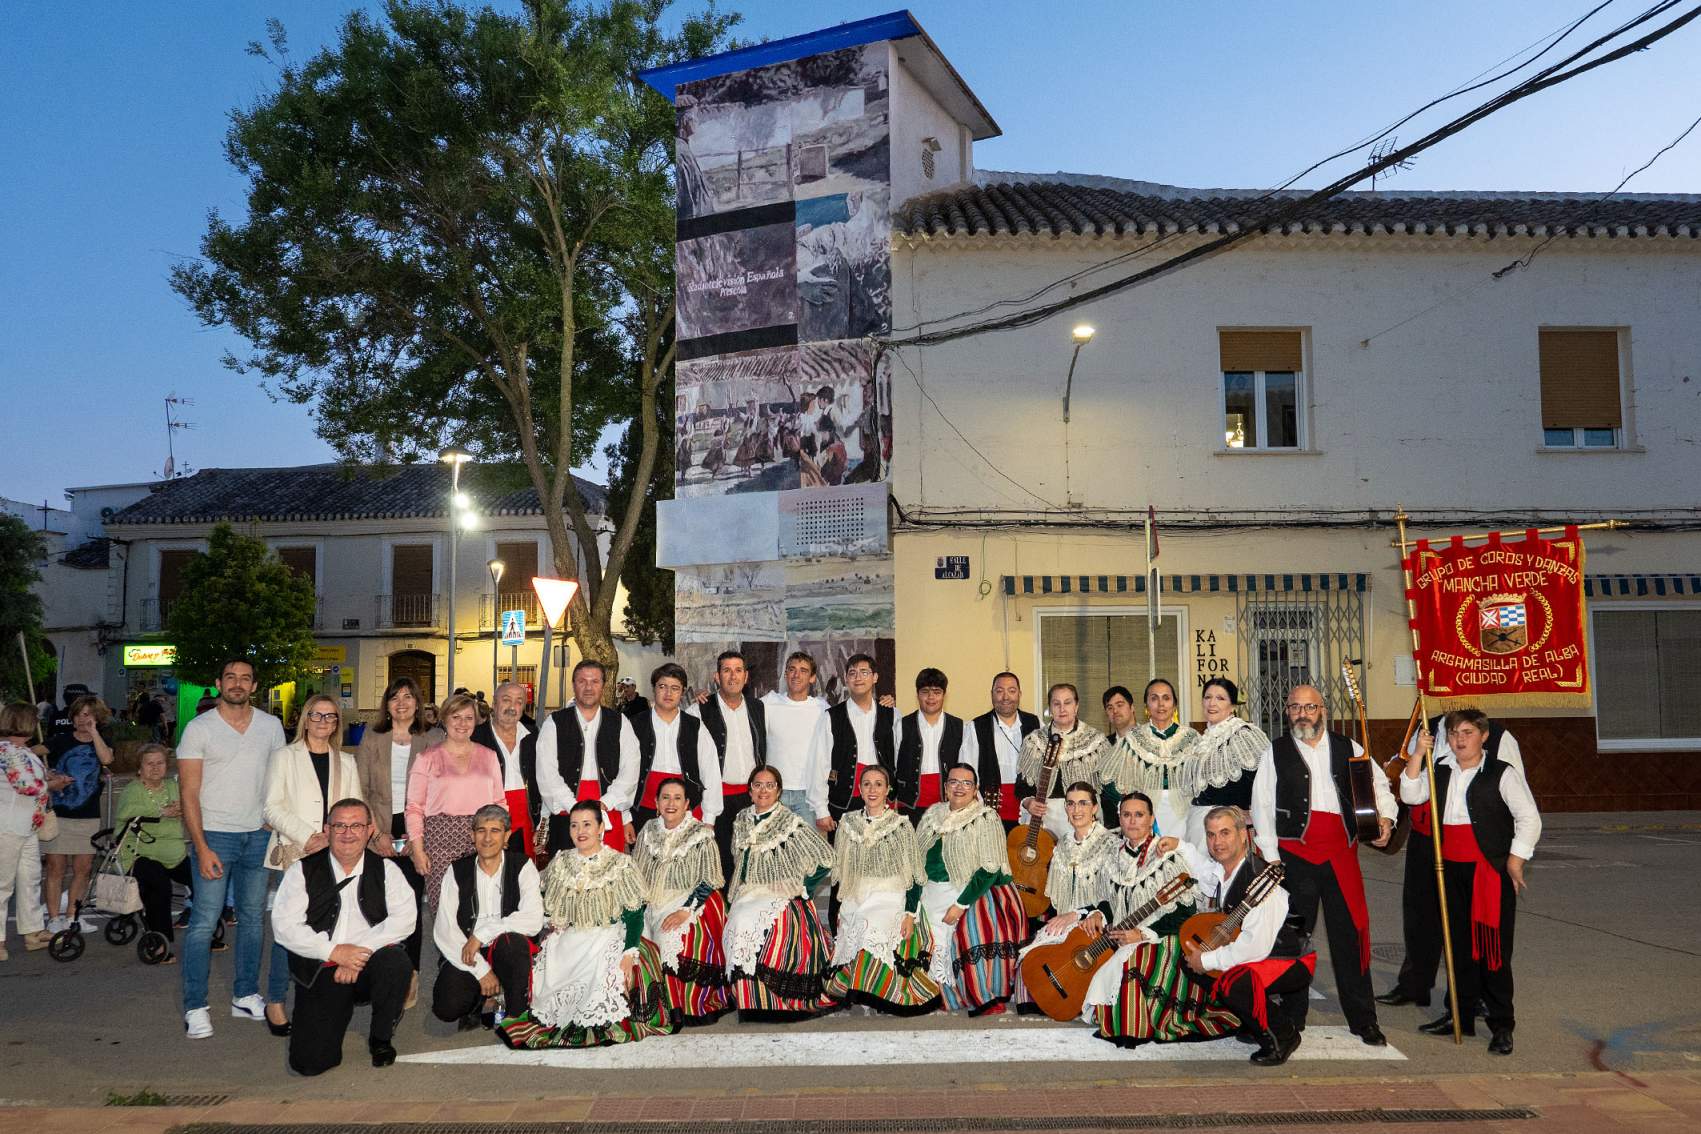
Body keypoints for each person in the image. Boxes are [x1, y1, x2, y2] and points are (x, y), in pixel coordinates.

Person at [1250, 684, 1395, 1046]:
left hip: (1340, 856)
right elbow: (1262, 805)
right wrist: (1270, 857)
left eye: (1309, 707)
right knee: (1295, 938)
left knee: (1351, 938)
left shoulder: (1350, 749)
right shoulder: (1276, 751)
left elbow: (1380, 786)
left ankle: (1364, 1020)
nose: (1302, 713)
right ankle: (1292, 1016)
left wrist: (1387, 819)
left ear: (1323, 711)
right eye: (1295, 707)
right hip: (1294, 857)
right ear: (1287, 711)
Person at [1400, 709, 1540, 1055]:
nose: (1460, 740)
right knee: (1458, 947)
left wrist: (1516, 859)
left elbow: (1529, 819)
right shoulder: (1441, 771)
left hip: (1488, 874)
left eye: (1467, 732)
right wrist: (1418, 753)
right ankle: (1459, 1015)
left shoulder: (1501, 773)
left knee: (1492, 951)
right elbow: (1410, 795)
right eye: (1453, 734)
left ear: (1484, 736)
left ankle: (1501, 1025)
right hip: (1450, 870)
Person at [499, 799, 674, 1048]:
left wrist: (629, 951)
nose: (580, 831)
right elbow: (544, 900)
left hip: (607, 935)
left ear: (601, 828)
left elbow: (634, 914)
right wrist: (552, 923)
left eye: (587, 824)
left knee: (604, 978)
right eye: (574, 825)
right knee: (551, 976)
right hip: (569, 938)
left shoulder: (620, 864)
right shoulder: (560, 862)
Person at [1379, 712, 1525, 1010]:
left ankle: (1477, 996)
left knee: (1475, 924)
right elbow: (1405, 768)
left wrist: (1510, 853)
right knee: (1420, 915)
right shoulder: (1427, 725)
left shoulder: (1498, 736)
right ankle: (1415, 983)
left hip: (1473, 843)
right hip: (1425, 836)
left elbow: (1515, 797)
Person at [176, 659, 288, 1040]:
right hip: (215, 836)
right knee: (204, 923)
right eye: (230, 677)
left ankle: (245, 994)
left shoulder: (271, 727)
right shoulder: (198, 729)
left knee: (254, 919)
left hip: (259, 835)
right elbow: (188, 793)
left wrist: (275, 820)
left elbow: (278, 780)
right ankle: (195, 1006)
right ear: (218, 682)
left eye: (245, 678)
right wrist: (201, 845)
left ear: (254, 686)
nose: (237, 684)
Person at [272, 798, 416, 1075]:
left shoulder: (387, 871)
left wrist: (357, 953)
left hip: (368, 962)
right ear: (327, 829)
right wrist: (335, 953)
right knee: (309, 1064)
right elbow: (285, 927)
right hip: (323, 967)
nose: (347, 833)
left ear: (369, 830)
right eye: (339, 826)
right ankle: (333, 1011)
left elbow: (405, 920)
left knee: (396, 963)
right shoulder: (301, 871)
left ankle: (381, 1037)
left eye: (356, 826)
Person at [1081, 792, 1229, 1045]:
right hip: (1122, 934)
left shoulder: (1167, 858)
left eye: (1139, 815)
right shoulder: (1113, 855)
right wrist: (1098, 912)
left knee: (1133, 959)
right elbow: (1108, 899)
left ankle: (1131, 1024)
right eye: (1126, 815)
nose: (1132, 821)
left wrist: (1142, 934)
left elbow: (1185, 914)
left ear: (1151, 820)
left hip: (1165, 937)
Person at [1183, 806, 1318, 1066]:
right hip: (1264, 954)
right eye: (1211, 835)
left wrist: (1208, 960)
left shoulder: (1262, 880)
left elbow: (1254, 948)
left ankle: (1282, 1035)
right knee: (1191, 961)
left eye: (1225, 833)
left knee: (1233, 981)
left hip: (1290, 959)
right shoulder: (1225, 871)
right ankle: (1251, 1018)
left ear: (1244, 835)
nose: (1217, 842)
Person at [262, 694, 363, 1036]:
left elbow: (356, 808)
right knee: (287, 929)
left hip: (337, 855)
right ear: (305, 719)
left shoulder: (346, 762)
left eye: (331, 717)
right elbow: (271, 807)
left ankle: (321, 1000)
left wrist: (338, 839)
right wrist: (309, 836)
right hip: (296, 852)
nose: (323, 722)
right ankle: (275, 1000)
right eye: (317, 716)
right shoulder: (284, 757)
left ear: (337, 723)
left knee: (331, 927)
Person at [824, 764, 938, 1014]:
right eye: (866, 784)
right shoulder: (847, 822)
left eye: (878, 784)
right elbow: (840, 871)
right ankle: (862, 988)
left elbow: (916, 877)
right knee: (854, 924)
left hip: (890, 894)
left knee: (869, 927)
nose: (872, 789)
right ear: (860, 790)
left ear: (888, 790)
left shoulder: (901, 825)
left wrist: (910, 914)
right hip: (856, 895)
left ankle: (878, 991)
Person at [724, 766, 835, 1020]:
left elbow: (827, 858)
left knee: (754, 924)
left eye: (770, 785)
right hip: (746, 892)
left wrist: (801, 886)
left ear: (779, 792)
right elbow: (738, 861)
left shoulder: (790, 821)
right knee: (738, 923)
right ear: (750, 790)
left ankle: (774, 1000)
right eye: (758, 785)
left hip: (778, 891)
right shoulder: (741, 818)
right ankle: (750, 999)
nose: (763, 790)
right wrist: (735, 894)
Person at [354, 676, 442, 994]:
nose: (402, 702)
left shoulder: (432, 739)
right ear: (386, 705)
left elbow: (439, 792)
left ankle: (410, 974)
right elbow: (360, 788)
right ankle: (380, 971)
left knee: (411, 907)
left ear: (417, 704)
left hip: (418, 830)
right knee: (377, 905)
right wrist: (375, 834)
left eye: (408, 696)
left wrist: (417, 839)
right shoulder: (372, 737)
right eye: (395, 697)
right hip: (379, 830)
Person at [917, 763, 1025, 1014]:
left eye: (967, 783)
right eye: (953, 782)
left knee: (957, 930)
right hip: (930, 889)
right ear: (945, 788)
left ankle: (962, 991)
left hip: (970, 889)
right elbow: (916, 858)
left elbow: (990, 868)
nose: (959, 787)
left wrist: (960, 905)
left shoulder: (985, 817)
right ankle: (927, 990)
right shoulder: (933, 814)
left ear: (975, 789)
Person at [431, 804, 544, 1030]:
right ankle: (481, 997)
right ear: (472, 835)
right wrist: (482, 971)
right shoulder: (456, 870)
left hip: (507, 949)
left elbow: (533, 919)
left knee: (512, 944)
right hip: (469, 952)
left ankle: (516, 1013)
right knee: (447, 1007)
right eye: (481, 830)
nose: (487, 838)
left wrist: (483, 933)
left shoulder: (522, 866)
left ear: (507, 836)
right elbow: (445, 929)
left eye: (495, 830)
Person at [631, 777, 728, 1024]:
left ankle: (677, 1006)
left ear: (687, 804)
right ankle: (644, 1004)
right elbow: (636, 875)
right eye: (665, 797)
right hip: (651, 901)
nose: (670, 803)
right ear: (656, 802)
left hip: (688, 902)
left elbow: (710, 880)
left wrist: (685, 911)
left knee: (668, 938)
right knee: (633, 941)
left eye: (677, 798)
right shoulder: (648, 830)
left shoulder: (701, 834)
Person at [405, 693, 505, 912]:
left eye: (469, 718)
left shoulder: (488, 756)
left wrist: (501, 836)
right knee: (445, 910)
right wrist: (418, 850)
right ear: (444, 719)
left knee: (482, 907)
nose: (462, 724)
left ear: (476, 721)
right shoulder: (427, 758)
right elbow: (414, 807)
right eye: (456, 717)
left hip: (483, 838)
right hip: (440, 841)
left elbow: (499, 802)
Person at [535, 660, 641, 853]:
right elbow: (546, 772)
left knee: (608, 875)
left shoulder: (620, 722)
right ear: (574, 685)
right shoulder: (554, 723)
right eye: (582, 681)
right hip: (567, 808)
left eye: (595, 681)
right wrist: (572, 805)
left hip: (608, 806)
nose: (588, 687)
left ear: (603, 685)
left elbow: (631, 769)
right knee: (568, 875)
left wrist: (607, 801)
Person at [691, 650, 766, 883]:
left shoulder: (758, 707)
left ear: (746, 677)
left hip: (752, 798)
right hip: (718, 799)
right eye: (726, 670)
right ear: (716, 676)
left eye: (738, 670)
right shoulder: (699, 710)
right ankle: (723, 915)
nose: (732, 676)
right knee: (721, 862)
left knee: (752, 860)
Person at [41, 694, 115, 932]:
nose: (84, 719)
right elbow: (28, 752)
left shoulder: (101, 741)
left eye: (90, 714)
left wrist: (94, 734)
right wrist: (46, 774)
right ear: (72, 717)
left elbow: (106, 759)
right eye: (80, 714)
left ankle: (73, 917)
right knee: (55, 868)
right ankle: (54, 919)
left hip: (88, 816)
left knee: (82, 870)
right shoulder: (59, 740)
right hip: (59, 814)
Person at [114, 743, 190, 962]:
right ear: (140, 768)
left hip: (173, 853)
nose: (155, 768)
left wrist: (184, 807)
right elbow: (127, 813)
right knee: (159, 884)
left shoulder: (173, 786)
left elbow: (189, 804)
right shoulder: (133, 790)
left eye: (160, 763)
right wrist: (161, 811)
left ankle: (206, 933)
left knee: (203, 878)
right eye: (150, 764)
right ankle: (160, 942)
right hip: (139, 853)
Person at [1097, 679, 1198, 839]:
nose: (1160, 704)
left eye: (1166, 698)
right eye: (1154, 698)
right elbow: (1106, 779)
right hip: (1146, 817)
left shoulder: (1192, 737)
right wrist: (1129, 804)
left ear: (1174, 704)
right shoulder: (1133, 739)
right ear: (1146, 706)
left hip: (1186, 815)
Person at [628, 664, 722, 835]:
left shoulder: (695, 726)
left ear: (683, 692)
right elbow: (623, 772)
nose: (668, 693)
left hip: (686, 811)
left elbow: (711, 771)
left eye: (675, 688)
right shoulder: (635, 724)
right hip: (642, 809)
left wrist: (709, 819)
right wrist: (624, 817)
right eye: (662, 686)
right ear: (654, 689)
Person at [1018, 684, 1110, 844]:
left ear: (1076, 706)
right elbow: (1022, 786)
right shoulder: (1034, 741)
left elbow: (1107, 788)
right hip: (1043, 821)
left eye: (1067, 703)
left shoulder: (1097, 741)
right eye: (1056, 703)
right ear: (1050, 708)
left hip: (1083, 817)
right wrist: (1029, 803)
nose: (1062, 709)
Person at [1186, 677, 1268, 848]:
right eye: (1207, 697)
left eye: (1220, 698)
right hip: (1199, 827)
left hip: (1227, 830)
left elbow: (1264, 781)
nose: (1212, 703)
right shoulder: (1202, 740)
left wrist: (1251, 814)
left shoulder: (1244, 734)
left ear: (1232, 706)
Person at [758, 652, 833, 834]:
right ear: (785, 674)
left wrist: (885, 702)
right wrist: (702, 699)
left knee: (808, 856)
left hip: (808, 797)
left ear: (813, 678)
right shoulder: (768, 704)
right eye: (791, 669)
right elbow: (736, 705)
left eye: (803, 671)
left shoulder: (823, 709)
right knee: (774, 854)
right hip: (774, 794)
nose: (796, 675)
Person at [1, 703, 53, 957]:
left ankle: (33, 931)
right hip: (8, 826)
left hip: (26, 826)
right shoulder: (8, 750)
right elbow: (27, 785)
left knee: (30, 878)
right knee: (3, 885)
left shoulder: (20, 750)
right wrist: (52, 783)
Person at [894, 668, 978, 820]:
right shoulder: (901, 725)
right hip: (909, 804)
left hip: (948, 805)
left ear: (944, 695)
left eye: (937, 692)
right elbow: (893, 764)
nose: (931, 697)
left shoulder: (960, 727)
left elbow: (965, 765)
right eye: (925, 691)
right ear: (917, 694)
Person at [470, 682, 539, 859]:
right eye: (506, 700)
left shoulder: (534, 736)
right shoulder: (475, 737)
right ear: (494, 704)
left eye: (518, 702)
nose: (512, 707)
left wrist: (541, 823)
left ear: (524, 707)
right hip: (488, 816)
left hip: (527, 816)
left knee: (521, 874)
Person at [824, 653, 895, 822]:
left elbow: (898, 758)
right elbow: (820, 763)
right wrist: (821, 809)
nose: (858, 678)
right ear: (846, 679)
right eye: (852, 673)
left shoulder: (892, 714)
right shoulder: (831, 716)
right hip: (842, 800)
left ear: (875, 677)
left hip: (880, 799)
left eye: (864, 672)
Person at [971, 672, 1041, 830]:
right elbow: (970, 772)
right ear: (992, 694)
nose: (1005, 697)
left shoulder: (1036, 723)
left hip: (1030, 810)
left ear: (1019, 694)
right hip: (990, 809)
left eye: (1011, 690)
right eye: (999, 691)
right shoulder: (976, 727)